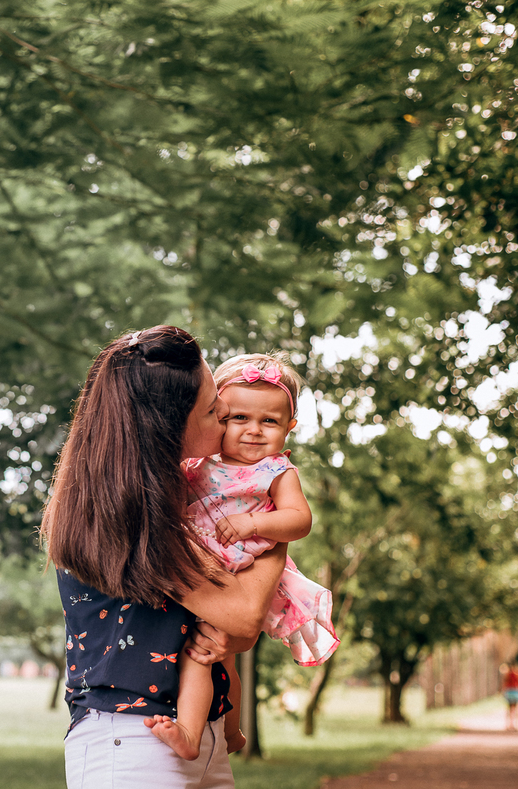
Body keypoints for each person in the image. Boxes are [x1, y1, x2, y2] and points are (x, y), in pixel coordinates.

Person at [43, 326, 291, 789]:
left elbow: (229, 629)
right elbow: (242, 614)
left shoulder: (182, 495)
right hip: (134, 743)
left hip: (196, 735)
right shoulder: (126, 511)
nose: (227, 421)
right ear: (170, 426)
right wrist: (273, 523)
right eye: (213, 411)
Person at [149, 353, 338, 761]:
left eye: (269, 422)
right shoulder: (197, 464)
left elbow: (299, 519)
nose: (253, 431)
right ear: (218, 418)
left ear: (289, 428)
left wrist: (255, 525)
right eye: (238, 419)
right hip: (198, 567)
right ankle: (232, 733)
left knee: (204, 653)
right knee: (217, 655)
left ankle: (193, 732)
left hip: (242, 568)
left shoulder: (278, 471)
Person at [500, 660, 518, 730]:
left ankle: (508, 724)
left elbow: (504, 682)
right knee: (516, 708)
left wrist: (502, 690)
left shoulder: (507, 673)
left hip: (509, 691)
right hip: (516, 690)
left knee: (509, 708)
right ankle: (516, 725)